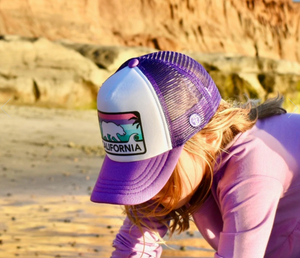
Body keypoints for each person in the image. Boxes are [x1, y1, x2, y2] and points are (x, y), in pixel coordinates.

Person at [90, 51, 300, 258]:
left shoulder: (251, 170)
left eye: (157, 170)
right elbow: (133, 250)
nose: (150, 191)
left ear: (209, 137)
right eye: (135, 173)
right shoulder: (180, 173)